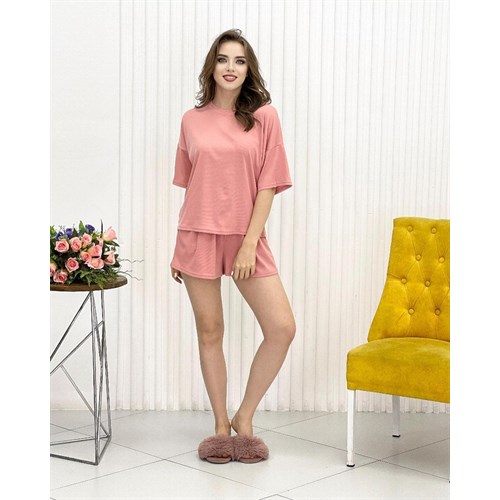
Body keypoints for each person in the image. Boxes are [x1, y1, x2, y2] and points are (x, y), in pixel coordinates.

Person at [170, 28, 296, 464]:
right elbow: (194, 188)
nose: (230, 67)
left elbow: (268, 184)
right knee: (211, 331)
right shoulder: (191, 120)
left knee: (282, 328)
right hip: (197, 235)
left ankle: (245, 417)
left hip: (247, 237)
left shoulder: (264, 116)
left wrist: (249, 243)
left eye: (239, 60)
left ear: (248, 68)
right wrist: (179, 249)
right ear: (212, 67)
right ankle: (221, 427)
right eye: (223, 59)